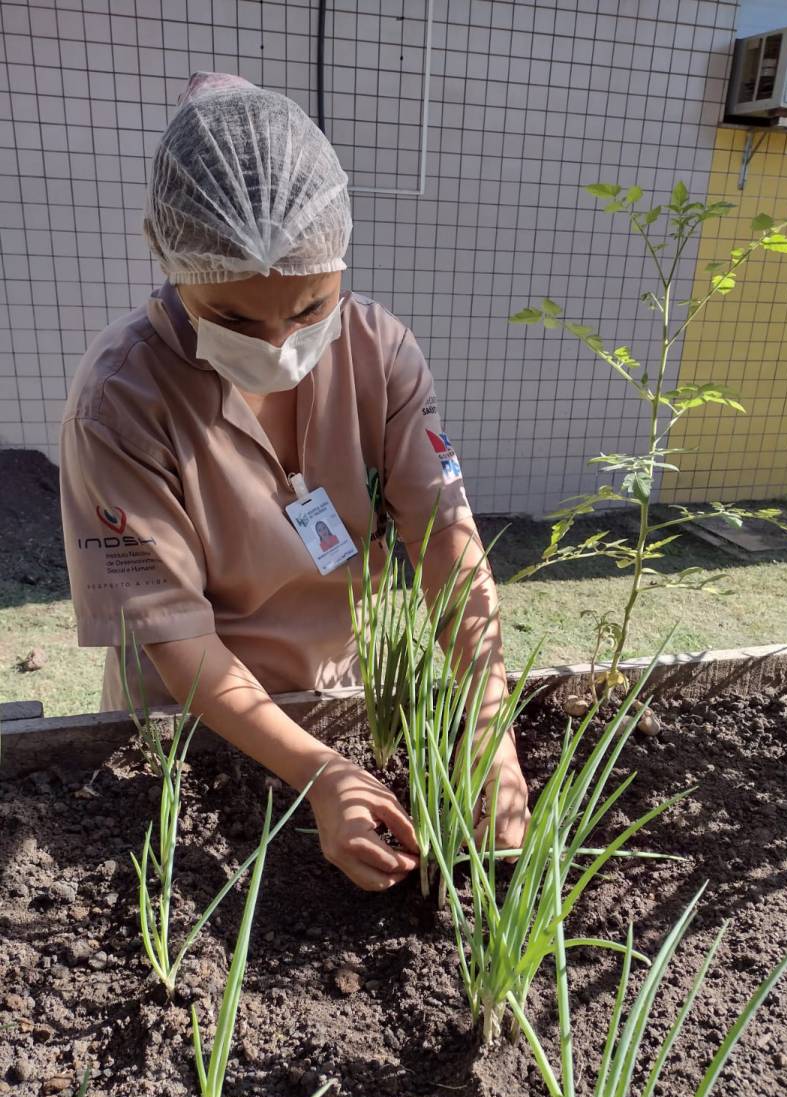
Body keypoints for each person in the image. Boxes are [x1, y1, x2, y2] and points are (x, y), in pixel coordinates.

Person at [59, 73, 529, 892]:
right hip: (193, 730)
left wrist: (492, 731)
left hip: (337, 699)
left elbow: (447, 545)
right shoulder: (122, 402)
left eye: (311, 306)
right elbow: (182, 644)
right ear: (171, 263)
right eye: (237, 319)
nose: (279, 344)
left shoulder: (380, 355)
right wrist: (321, 775)